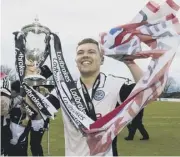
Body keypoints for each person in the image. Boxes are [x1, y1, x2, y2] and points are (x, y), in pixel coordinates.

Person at [41, 38, 143, 156]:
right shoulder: (63, 89)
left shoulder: (115, 84)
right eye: (80, 53)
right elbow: (39, 111)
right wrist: (31, 81)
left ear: (102, 60)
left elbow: (146, 90)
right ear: (76, 60)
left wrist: (129, 62)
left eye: (91, 52)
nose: (85, 55)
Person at [1, 72, 12, 156]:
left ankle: (4, 151)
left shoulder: (4, 96)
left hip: (3, 121)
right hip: (4, 121)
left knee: (4, 137)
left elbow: (4, 111)